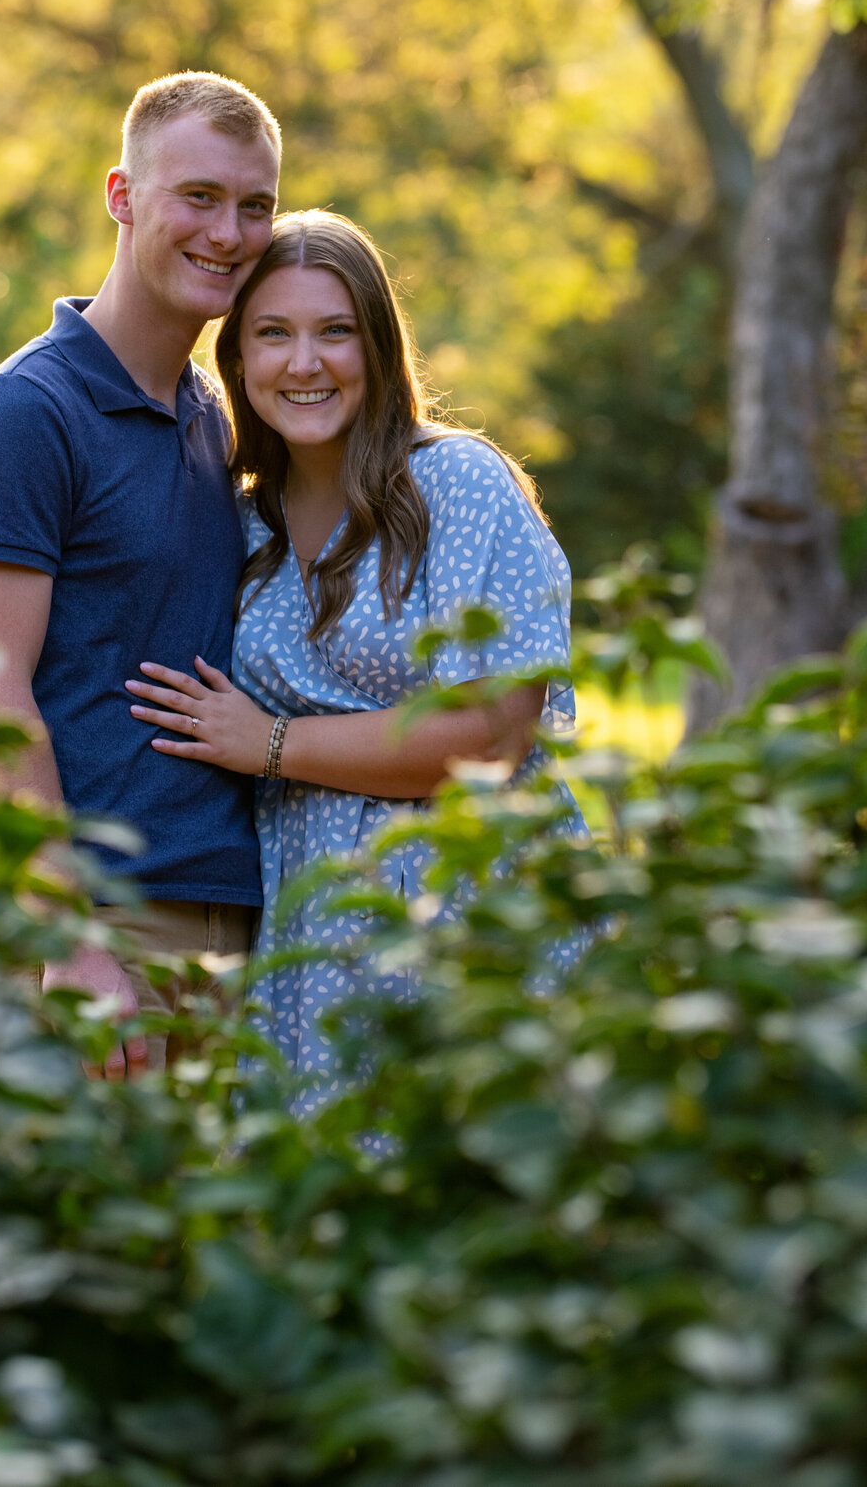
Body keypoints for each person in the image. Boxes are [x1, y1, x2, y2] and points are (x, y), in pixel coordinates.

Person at [126, 209, 588, 1109]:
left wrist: (268, 743)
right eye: (274, 333)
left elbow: (488, 740)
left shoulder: (456, 485)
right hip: (307, 936)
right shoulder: (239, 518)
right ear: (238, 360)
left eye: (335, 331)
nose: (305, 363)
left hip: (465, 919)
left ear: (377, 346)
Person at [0, 71, 282, 1078]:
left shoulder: (213, 414)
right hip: (108, 937)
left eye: (255, 206)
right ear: (122, 196)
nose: (229, 232)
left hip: (235, 913)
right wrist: (68, 936)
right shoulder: (23, 417)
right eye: (199, 197)